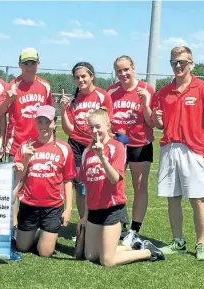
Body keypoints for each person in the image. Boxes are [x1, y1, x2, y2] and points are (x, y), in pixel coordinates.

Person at [77, 109, 165, 267]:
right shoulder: (86, 152)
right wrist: (85, 215)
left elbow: (114, 178)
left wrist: (102, 157)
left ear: (108, 125)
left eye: (98, 126)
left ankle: (148, 251)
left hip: (113, 209)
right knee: (90, 256)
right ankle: (131, 246)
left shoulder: (117, 147)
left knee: (107, 261)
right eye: (91, 127)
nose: (94, 131)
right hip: (95, 210)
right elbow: (88, 188)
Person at [153, 46, 204, 262]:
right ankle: (177, 241)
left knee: (197, 198)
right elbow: (159, 124)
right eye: (174, 62)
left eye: (182, 62)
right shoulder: (163, 92)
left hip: (193, 149)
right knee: (172, 198)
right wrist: (157, 118)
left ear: (191, 63)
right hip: (169, 148)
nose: (178, 66)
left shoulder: (203, 88)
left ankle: (201, 244)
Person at [13, 105, 75, 257]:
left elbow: (68, 181)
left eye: (47, 122)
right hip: (29, 204)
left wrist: (68, 210)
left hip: (52, 206)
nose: (43, 126)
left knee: (45, 252)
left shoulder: (64, 148)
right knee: (22, 247)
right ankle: (37, 232)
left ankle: (44, 233)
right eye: (40, 121)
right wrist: (26, 158)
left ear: (54, 123)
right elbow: (18, 177)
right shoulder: (25, 146)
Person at [106, 55, 155, 244]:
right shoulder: (111, 91)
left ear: (133, 68)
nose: (123, 73)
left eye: (126, 69)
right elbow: (107, 119)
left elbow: (152, 122)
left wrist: (144, 103)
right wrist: (113, 135)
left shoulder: (146, 89)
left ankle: (135, 229)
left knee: (139, 186)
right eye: (119, 70)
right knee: (114, 184)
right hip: (118, 144)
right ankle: (118, 223)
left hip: (140, 144)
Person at [60, 62, 113, 221]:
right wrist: (63, 110)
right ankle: (83, 223)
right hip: (76, 145)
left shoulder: (103, 96)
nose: (80, 80)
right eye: (77, 77)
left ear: (92, 76)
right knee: (80, 185)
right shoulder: (73, 99)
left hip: (95, 145)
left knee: (96, 182)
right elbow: (69, 130)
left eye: (84, 76)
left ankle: (96, 220)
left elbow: (106, 124)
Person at [0, 47, 53, 161]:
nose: (29, 67)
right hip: (16, 146)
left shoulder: (45, 86)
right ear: (20, 65)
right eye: (26, 63)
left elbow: (51, 116)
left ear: (38, 64)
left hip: (40, 144)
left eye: (33, 63)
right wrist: (7, 101)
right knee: (15, 178)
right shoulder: (13, 85)